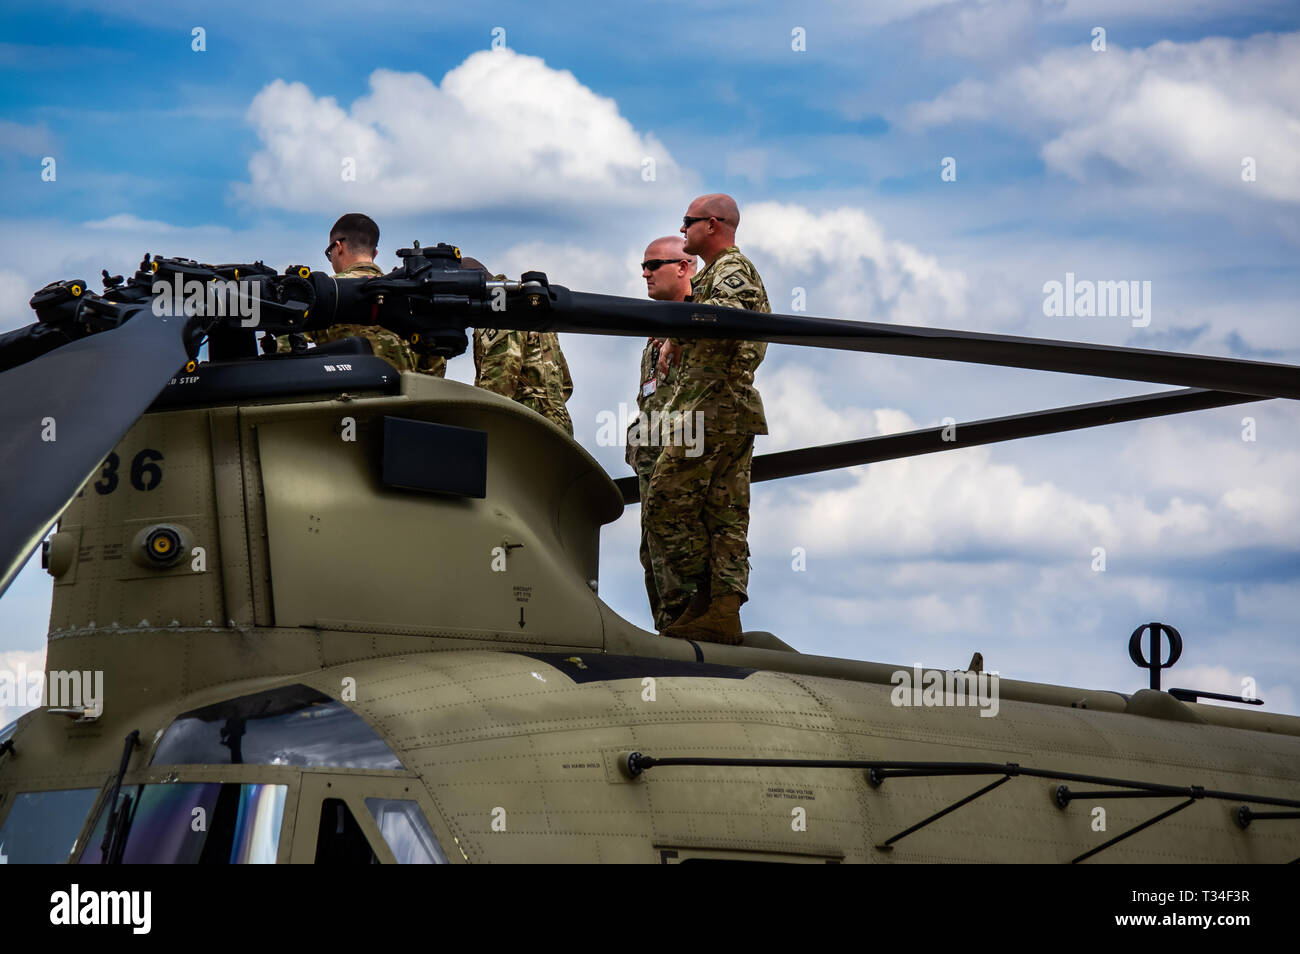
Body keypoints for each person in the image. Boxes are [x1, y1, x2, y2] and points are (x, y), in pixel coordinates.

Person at [646, 194, 769, 644]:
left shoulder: (732, 271)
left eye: (688, 222)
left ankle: (708, 598)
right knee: (721, 514)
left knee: (664, 502)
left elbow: (723, 322)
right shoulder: (717, 275)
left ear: (713, 224)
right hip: (716, 409)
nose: (683, 231)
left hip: (713, 409)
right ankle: (718, 609)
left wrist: (677, 332)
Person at [282, 213, 447, 376]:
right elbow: (435, 365)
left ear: (338, 247)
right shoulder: (410, 292)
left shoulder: (321, 292)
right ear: (375, 254)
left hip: (344, 398)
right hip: (406, 400)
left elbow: (284, 347)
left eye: (328, 253)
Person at [630, 237, 697, 632]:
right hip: (652, 464)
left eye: (654, 265)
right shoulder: (659, 333)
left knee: (679, 551)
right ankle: (669, 630)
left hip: (683, 466)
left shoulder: (702, 326)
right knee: (652, 554)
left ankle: (691, 631)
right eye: (644, 266)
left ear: (684, 267)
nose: (645, 273)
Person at [473, 327, 574, 435]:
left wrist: (479, 422)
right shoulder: (544, 322)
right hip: (559, 423)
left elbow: (501, 381)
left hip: (525, 422)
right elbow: (566, 384)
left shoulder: (503, 315)